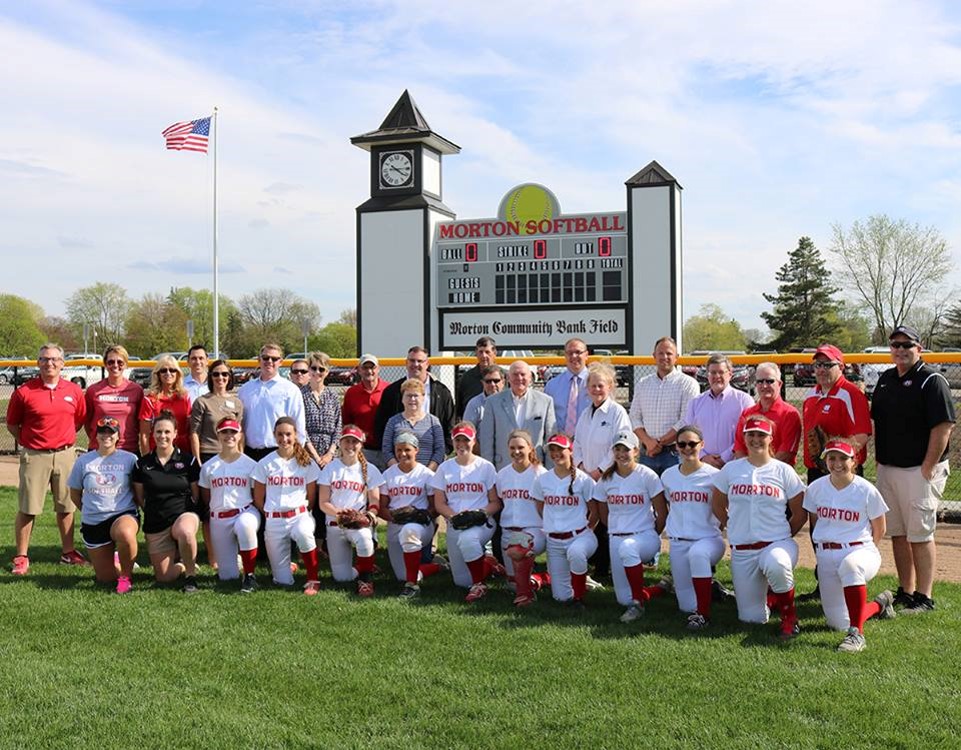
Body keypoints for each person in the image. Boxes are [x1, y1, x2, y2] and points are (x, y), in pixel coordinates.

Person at [871, 325, 955, 614]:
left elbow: (943, 427)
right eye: (895, 345)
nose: (901, 350)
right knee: (898, 532)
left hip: (919, 468)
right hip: (890, 467)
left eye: (907, 345)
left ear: (920, 348)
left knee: (919, 533)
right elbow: (878, 422)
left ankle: (925, 596)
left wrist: (928, 467)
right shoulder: (886, 379)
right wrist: (880, 460)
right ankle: (906, 590)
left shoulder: (931, 380)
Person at [711, 416, 806, 639]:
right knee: (751, 619)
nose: (755, 439)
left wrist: (782, 535)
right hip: (743, 550)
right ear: (744, 437)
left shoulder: (783, 470)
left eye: (761, 434)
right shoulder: (731, 469)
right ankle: (772, 598)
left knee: (777, 563)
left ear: (771, 438)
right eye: (750, 434)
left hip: (776, 544)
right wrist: (730, 525)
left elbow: (800, 512)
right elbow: (717, 503)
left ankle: (790, 618)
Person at [802, 439, 896, 652]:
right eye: (832, 458)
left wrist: (867, 551)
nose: (837, 463)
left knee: (851, 566)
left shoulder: (865, 489)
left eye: (843, 458)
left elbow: (879, 528)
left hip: (859, 550)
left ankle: (857, 635)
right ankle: (880, 604)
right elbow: (815, 523)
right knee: (837, 623)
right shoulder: (816, 488)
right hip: (827, 556)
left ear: (854, 461)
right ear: (824, 460)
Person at [799, 344, 873, 601]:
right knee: (819, 531)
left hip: (844, 474)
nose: (821, 369)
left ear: (840, 366)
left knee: (846, 530)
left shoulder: (851, 393)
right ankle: (825, 585)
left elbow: (862, 434)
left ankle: (850, 586)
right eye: (817, 364)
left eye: (827, 364)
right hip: (817, 473)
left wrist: (839, 458)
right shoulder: (811, 395)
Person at [7, 343, 88, 575]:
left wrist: (62, 439)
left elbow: (79, 420)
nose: (49, 363)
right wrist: (30, 441)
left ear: (62, 363)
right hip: (35, 454)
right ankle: (21, 556)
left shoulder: (73, 391)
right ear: (37, 363)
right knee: (28, 506)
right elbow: (12, 424)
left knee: (66, 505)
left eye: (54, 359)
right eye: (44, 359)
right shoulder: (24, 391)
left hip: (65, 453)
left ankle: (68, 552)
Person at [592, 431, 669, 622]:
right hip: (616, 538)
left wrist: (652, 534)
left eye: (625, 449)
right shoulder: (607, 479)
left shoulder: (647, 475)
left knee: (629, 548)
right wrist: (615, 530)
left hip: (644, 536)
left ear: (635, 451)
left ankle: (638, 605)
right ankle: (661, 588)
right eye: (617, 449)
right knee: (622, 599)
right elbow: (603, 513)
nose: (621, 454)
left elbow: (662, 512)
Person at [660, 425, 725, 630]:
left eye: (692, 444)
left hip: (708, 540)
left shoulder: (715, 475)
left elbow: (725, 508)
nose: (687, 448)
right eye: (682, 444)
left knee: (699, 555)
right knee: (686, 606)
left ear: (702, 445)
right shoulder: (668, 476)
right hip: (679, 543)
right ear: (676, 447)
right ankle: (712, 590)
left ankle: (704, 616)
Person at [66, 417, 140, 594]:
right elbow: (75, 493)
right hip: (94, 521)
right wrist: (89, 510)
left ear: (117, 437)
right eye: (102, 432)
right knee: (105, 579)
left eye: (111, 432)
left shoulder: (130, 459)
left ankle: (126, 577)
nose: (106, 435)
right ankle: (116, 560)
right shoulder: (84, 461)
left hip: (123, 514)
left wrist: (135, 508)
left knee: (125, 532)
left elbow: (138, 490)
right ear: (95, 436)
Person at [431, 423, 502, 602]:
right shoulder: (444, 468)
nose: (462, 444)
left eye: (466, 440)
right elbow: (439, 503)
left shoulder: (485, 467)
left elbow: (496, 502)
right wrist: (454, 517)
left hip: (482, 522)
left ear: (474, 441)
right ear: (453, 442)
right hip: (456, 523)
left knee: (468, 540)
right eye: (458, 440)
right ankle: (489, 565)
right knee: (461, 581)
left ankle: (479, 585)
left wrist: (480, 513)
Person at [132, 410, 202, 593]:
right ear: (153, 434)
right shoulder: (142, 463)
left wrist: (191, 511)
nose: (163, 436)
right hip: (156, 521)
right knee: (164, 577)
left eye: (167, 432)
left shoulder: (188, 460)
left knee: (186, 532)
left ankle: (191, 577)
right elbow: (140, 497)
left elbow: (196, 493)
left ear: (175, 434)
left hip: (183, 514)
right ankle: (182, 565)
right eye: (159, 432)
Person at [251, 417, 322, 593]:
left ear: (295, 435)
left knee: (304, 534)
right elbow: (258, 498)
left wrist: (303, 511)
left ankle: (313, 579)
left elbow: (311, 496)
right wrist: (270, 513)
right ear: (274, 436)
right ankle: (287, 567)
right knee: (282, 581)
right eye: (280, 434)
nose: (284, 439)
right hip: (274, 520)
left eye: (288, 434)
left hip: (299, 516)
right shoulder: (265, 463)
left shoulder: (307, 462)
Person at [317, 426, 385, 596]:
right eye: (347, 440)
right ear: (340, 443)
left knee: (364, 538)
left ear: (361, 444)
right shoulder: (330, 468)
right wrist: (341, 514)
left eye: (355, 441)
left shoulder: (370, 469)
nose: (350, 445)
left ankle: (365, 580)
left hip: (358, 524)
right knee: (342, 578)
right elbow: (323, 503)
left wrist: (370, 515)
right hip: (335, 524)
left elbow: (375, 501)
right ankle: (365, 565)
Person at [532, 434, 599, 607]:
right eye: (552, 450)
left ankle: (579, 597)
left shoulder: (584, 480)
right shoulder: (543, 480)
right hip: (554, 541)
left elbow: (595, 511)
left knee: (576, 553)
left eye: (560, 449)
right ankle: (577, 579)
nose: (556, 453)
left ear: (570, 451)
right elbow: (540, 507)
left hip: (579, 537)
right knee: (561, 597)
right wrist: (552, 524)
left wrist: (586, 529)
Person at [380, 432, 446, 599]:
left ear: (416, 450)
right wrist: (394, 516)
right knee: (403, 574)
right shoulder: (388, 474)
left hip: (419, 525)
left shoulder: (426, 475)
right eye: (399, 449)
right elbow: (381, 507)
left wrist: (420, 514)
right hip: (396, 524)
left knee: (409, 532)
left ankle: (412, 587)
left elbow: (434, 507)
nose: (403, 454)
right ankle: (439, 567)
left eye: (407, 449)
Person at [198, 418, 260, 593]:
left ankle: (249, 576)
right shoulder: (209, 466)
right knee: (227, 576)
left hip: (245, 512)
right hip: (219, 517)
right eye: (224, 432)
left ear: (240, 435)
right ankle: (237, 565)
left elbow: (256, 495)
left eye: (233, 432)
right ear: (218, 435)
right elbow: (206, 496)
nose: (229, 436)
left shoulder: (250, 464)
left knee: (245, 525)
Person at [496, 429, 551, 607]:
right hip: (508, 531)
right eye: (512, 447)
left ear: (530, 448)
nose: (516, 451)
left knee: (519, 551)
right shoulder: (502, 475)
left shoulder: (541, 474)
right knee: (512, 583)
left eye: (521, 447)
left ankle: (526, 596)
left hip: (534, 530)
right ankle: (540, 578)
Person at [629, 336, 699, 475]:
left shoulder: (688, 384)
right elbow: (634, 417)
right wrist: (648, 442)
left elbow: (686, 420)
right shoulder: (643, 383)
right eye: (660, 353)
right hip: (647, 453)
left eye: (669, 353)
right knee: (647, 495)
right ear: (654, 356)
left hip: (675, 453)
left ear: (677, 357)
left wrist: (659, 443)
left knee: (674, 495)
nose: (664, 357)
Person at [374, 346, 455, 454]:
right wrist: (392, 456)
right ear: (406, 363)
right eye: (412, 360)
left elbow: (450, 424)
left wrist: (442, 453)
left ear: (427, 364)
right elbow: (381, 426)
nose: (416, 364)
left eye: (420, 361)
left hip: (432, 459)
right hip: (401, 457)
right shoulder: (392, 391)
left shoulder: (441, 392)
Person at [479, 360, 557, 470]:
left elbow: (550, 439)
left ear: (530, 378)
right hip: (503, 467)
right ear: (508, 378)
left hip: (535, 468)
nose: (519, 378)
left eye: (523, 374)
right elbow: (487, 441)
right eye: (515, 374)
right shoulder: (493, 402)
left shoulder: (545, 401)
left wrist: (550, 472)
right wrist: (489, 472)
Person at [683, 354, 754, 469]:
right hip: (702, 466)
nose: (717, 376)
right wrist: (703, 456)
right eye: (713, 372)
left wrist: (724, 457)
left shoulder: (744, 400)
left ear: (730, 374)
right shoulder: (695, 403)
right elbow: (688, 435)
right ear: (707, 375)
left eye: (721, 372)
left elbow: (747, 434)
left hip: (735, 465)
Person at [238, 343, 306, 461]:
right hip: (249, 453)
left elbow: (298, 424)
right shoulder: (245, 389)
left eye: (274, 359)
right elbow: (240, 423)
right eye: (265, 358)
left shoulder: (290, 389)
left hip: (278, 451)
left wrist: (295, 453)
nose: (269, 361)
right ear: (259, 360)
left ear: (281, 362)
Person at [732, 362, 801, 465]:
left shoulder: (789, 414)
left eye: (769, 381)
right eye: (760, 381)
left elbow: (786, 453)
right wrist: (748, 469)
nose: (764, 386)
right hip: (749, 475)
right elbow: (739, 448)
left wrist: (763, 471)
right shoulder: (747, 413)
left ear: (779, 384)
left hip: (777, 475)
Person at [84, 344, 143, 454]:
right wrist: (101, 440)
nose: (115, 365)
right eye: (111, 362)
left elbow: (140, 423)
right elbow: (87, 422)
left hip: (128, 449)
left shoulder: (136, 390)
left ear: (126, 364)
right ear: (105, 365)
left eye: (120, 362)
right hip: (99, 449)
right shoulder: (93, 390)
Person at [382, 379, 446, 470]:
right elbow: (386, 450)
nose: (412, 399)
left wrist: (427, 472)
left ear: (423, 397)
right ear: (402, 398)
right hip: (399, 476)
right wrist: (397, 470)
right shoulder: (393, 422)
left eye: (416, 396)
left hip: (427, 475)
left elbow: (440, 450)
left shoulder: (433, 421)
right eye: (408, 396)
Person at [190, 360, 244, 465]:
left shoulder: (237, 403)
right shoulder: (202, 402)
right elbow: (194, 433)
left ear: (229, 377)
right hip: (208, 454)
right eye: (216, 374)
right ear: (210, 377)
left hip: (230, 454)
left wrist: (240, 455)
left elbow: (240, 432)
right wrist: (197, 459)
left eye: (224, 374)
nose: (220, 377)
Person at [342, 353, 390, 471]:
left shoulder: (389, 389)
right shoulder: (352, 393)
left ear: (378, 369)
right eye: (365, 368)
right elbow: (346, 423)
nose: (369, 371)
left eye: (372, 367)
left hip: (387, 449)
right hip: (363, 448)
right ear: (358, 370)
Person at [139, 355, 192, 455]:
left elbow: (189, 430)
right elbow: (144, 434)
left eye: (172, 370)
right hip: (157, 453)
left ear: (178, 373)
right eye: (163, 370)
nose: (168, 373)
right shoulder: (150, 400)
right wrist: (146, 460)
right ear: (158, 374)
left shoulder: (185, 397)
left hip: (182, 452)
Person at [300, 351, 341, 468]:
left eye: (321, 369)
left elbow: (338, 426)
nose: (317, 372)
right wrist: (315, 456)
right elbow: (301, 428)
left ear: (327, 372)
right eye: (314, 368)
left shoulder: (333, 396)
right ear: (309, 369)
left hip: (330, 453)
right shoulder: (301, 395)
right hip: (307, 451)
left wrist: (330, 453)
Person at [544, 337, 591, 436]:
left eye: (578, 352)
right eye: (570, 353)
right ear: (565, 355)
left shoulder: (596, 384)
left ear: (586, 355)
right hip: (560, 444)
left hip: (589, 441)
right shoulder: (552, 385)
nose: (574, 356)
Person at [455, 335, 497, 419]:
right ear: (476, 353)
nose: (484, 356)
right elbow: (459, 409)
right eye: (481, 352)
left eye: (487, 352)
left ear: (494, 353)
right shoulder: (467, 378)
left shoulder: (505, 377)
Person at [462, 364, 505, 430]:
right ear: (482, 383)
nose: (492, 384)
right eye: (488, 381)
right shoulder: (474, 404)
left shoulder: (511, 401)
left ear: (503, 382)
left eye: (496, 381)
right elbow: (467, 432)